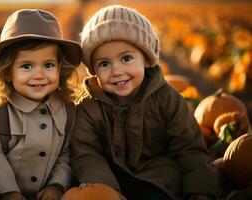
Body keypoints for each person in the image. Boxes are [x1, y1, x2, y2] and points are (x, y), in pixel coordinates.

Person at [71, 5, 218, 200]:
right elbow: (86, 153)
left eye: (126, 58)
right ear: (94, 70)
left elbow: (189, 147)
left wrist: (199, 190)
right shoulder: (89, 107)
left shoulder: (168, 100)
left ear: (146, 59)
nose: (116, 71)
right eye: (104, 63)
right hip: (110, 177)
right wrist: (107, 191)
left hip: (157, 179)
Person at [0, 9, 82, 200]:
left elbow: (67, 155)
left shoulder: (68, 111)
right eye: (26, 66)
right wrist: (8, 193)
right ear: (6, 71)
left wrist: (56, 185)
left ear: (60, 68)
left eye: (48, 65)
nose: (39, 74)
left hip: (45, 193)